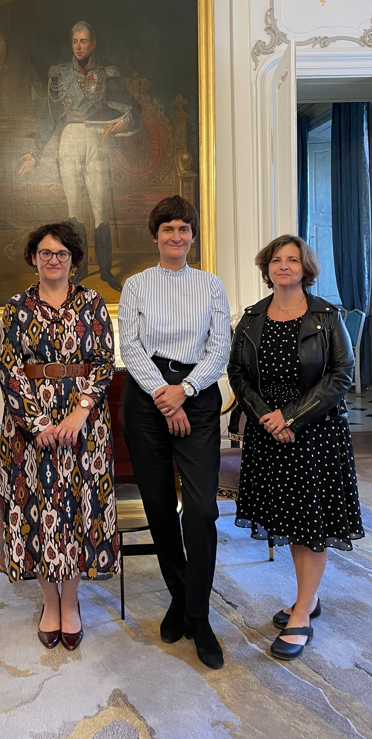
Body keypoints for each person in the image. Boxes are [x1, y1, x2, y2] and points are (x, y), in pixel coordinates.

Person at [228, 234, 364, 661]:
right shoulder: (251, 318)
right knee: (291, 518)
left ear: (306, 268)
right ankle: (308, 596)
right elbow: (238, 375)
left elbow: (341, 375)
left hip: (316, 432)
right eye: (276, 260)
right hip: (270, 434)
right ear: (266, 268)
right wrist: (268, 416)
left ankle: (303, 611)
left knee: (312, 522)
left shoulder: (326, 316)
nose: (283, 265)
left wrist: (291, 417)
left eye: (292, 259)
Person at [0, 221, 119, 650]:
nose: (53, 260)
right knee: (38, 511)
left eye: (61, 254)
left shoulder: (94, 303)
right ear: (34, 258)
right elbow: (9, 369)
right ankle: (49, 602)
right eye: (46, 253)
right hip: (30, 431)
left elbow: (103, 362)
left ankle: (72, 601)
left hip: (84, 427)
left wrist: (80, 414)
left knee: (76, 511)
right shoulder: (15, 307)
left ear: (73, 260)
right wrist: (38, 424)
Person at [118, 195, 231, 670]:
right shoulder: (135, 285)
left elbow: (219, 346)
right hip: (145, 401)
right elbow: (130, 344)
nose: (176, 236)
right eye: (167, 228)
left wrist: (183, 390)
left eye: (184, 228)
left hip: (197, 397)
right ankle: (179, 595)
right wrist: (163, 395)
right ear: (155, 234)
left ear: (193, 235)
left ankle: (199, 617)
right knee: (159, 506)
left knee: (202, 509)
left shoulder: (210, 285)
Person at [18, 21, 142, 292]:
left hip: (97, 139)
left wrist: (125, 122)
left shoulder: (108, 74)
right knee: (74, 207)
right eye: (75, 41)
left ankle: (107, 270)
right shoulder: (58, 75)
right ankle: (81, 265)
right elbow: (47, 118)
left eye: (84, 41)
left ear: (93, 43)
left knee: (99, 207)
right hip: (69, 140)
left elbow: (133, 108)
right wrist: (34, 153)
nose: (78, 46)